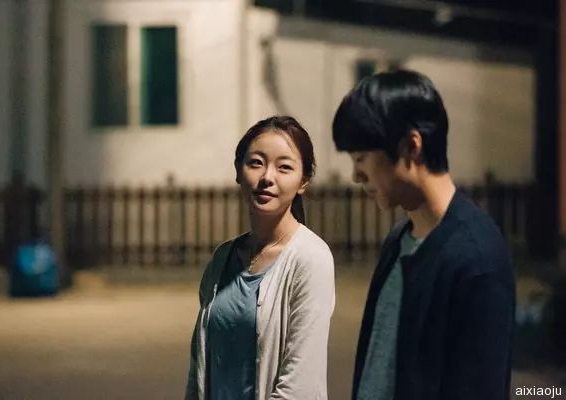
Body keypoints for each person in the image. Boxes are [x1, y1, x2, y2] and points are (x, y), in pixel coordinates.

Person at [332, 70, 515, 400]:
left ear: (411, 146)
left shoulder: (476, 257)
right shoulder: (398, 241)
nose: (356, 175)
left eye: (361, 158)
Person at [185, 116, 335, 400]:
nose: (267, 177)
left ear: (303, 181)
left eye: (284, 167)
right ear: (238, 171)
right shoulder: (223, 259)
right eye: (256, 163)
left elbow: (299, 387)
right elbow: (198, 368)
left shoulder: (311, 259)